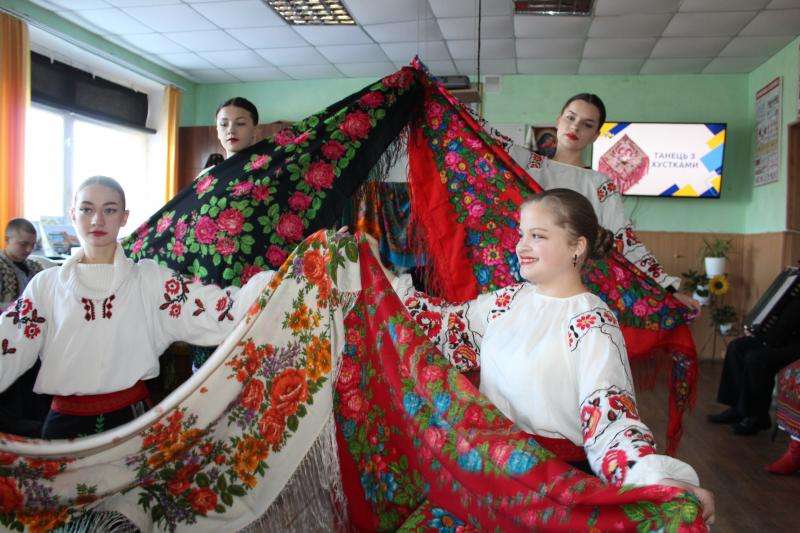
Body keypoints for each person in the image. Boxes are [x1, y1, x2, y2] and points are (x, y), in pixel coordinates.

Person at [384, 189, 714, 525]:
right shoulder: (508, 301)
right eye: (521, 234)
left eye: (537, 236)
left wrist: (654, 479)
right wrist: (381, 276)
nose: (521, 246)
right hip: (487, 472)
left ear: (576, 247)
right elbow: (446, 327)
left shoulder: (591, 323)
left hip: (549, 489)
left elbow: (610, 419)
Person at [0, 176, 273, 439]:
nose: (97, 220)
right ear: (73, 214)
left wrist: (277, 283)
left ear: (124, 217)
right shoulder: (46, 285)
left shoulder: (150, 281)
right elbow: (9, 344)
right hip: (64, 426)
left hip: (132, 426)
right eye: (86, 209)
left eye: (110, 210)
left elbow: (220, 310)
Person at [508, 94, 701, 314]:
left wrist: (667, 288)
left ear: (595, 135)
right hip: (516, 281)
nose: (575, 127)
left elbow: (624, 241)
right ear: (558, 120)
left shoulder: (599, 185)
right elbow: (480, 140)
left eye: (587, 124)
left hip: (565, 295)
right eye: (571, 118)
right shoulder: (524, 165)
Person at [708, 298, 800, 435]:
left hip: (795, 344)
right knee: (736, 347)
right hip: (780, 338)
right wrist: (759, 331)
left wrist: (763, 336)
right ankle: (737, 408)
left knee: (757, 358)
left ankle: (757, 417)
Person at [0, 218, 51, 437]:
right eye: (23, 244)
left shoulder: (36, 267)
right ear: (7, 239)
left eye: (32, 244)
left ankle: (38, 419)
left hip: (33, 331)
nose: (29, 249)